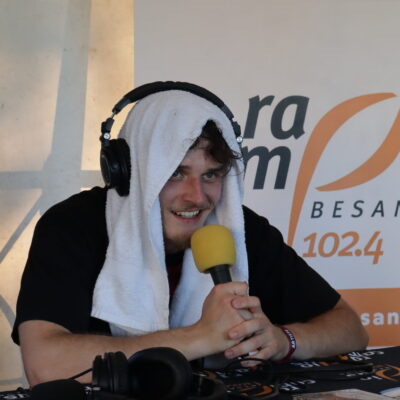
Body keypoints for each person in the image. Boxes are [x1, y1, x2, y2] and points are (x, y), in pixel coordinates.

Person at [12, 83, 368, 387]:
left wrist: (284, 340)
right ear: (128, 172)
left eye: (210, 175)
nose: (197, 197)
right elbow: (44, 365)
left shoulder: (241, 229)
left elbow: (351, 328)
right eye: (175, 173)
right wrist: (202, 336)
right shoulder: (71, 226)